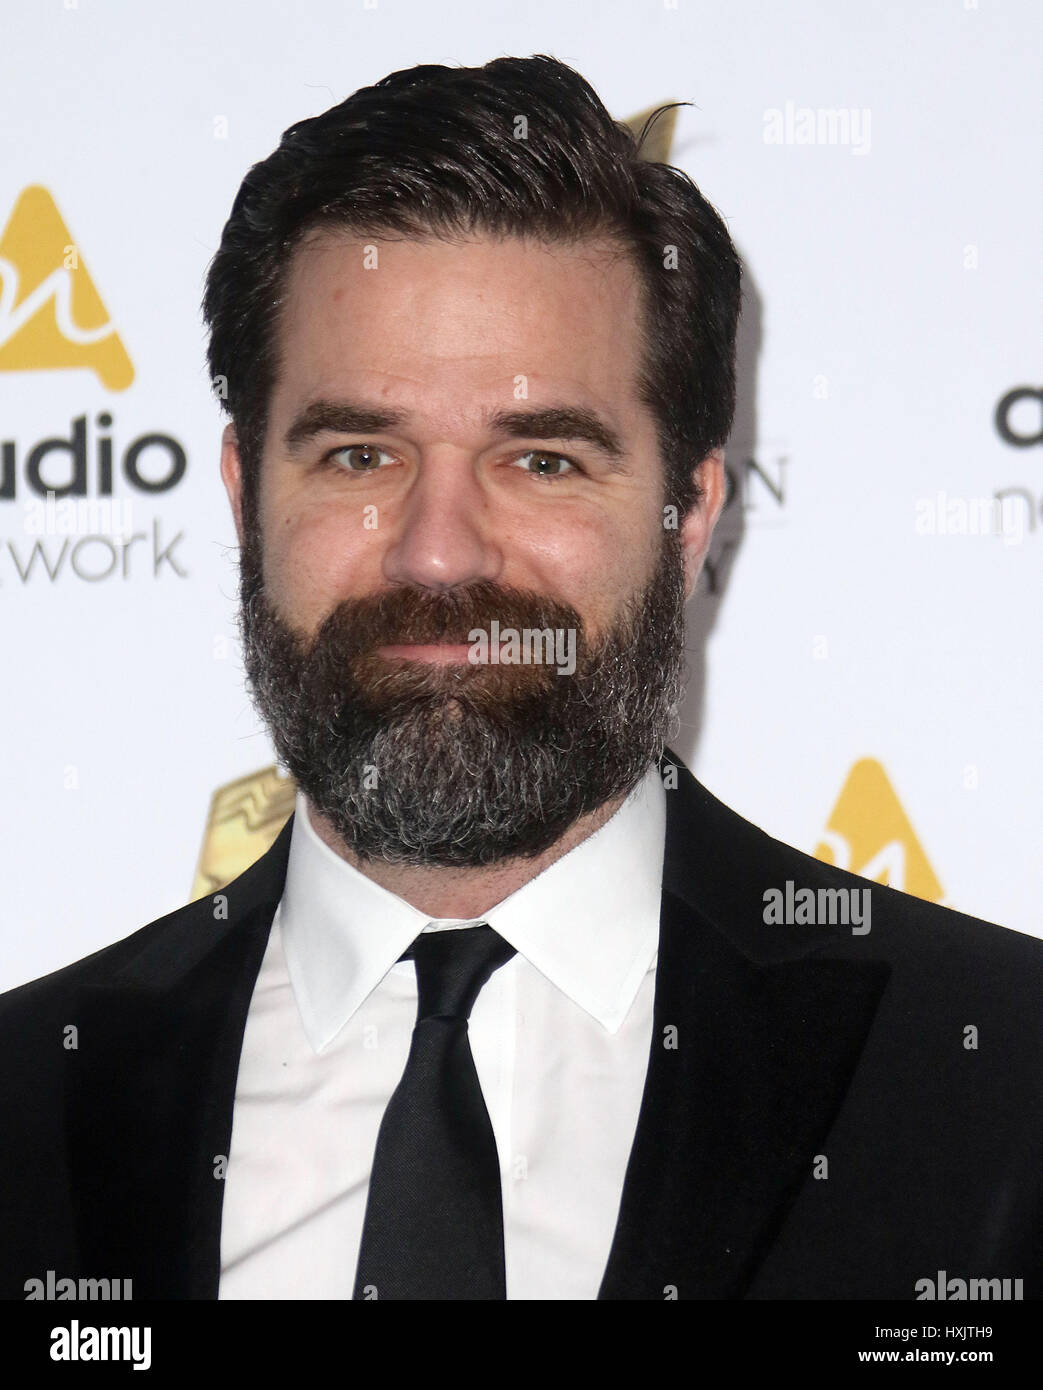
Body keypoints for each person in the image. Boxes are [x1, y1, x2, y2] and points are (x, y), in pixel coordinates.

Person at [2, 54, 1042, 1303]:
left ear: (688, 508)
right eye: (357, 452)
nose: (439, 549)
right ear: (243, 494)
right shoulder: (27, 1101)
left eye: (541, 459)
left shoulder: (998, 1081)